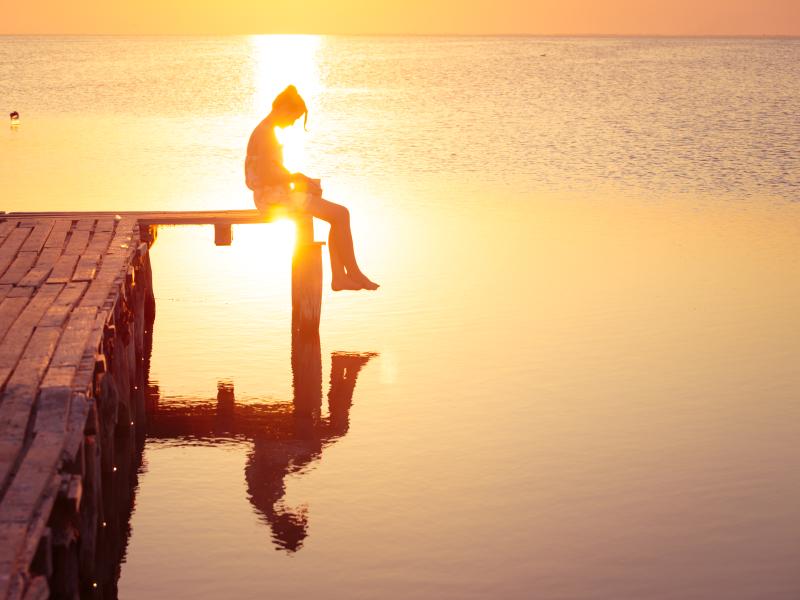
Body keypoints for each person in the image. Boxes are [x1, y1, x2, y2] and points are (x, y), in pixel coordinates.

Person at [245, 85, 378, 291]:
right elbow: (265, 176)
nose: (291, 124)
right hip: (271, 199)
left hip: (274, 195)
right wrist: (298, 178)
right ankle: (350, 273)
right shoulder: (265, 134)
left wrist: (302, 182)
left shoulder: (267, 130)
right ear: (283, 109)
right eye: (293, 118)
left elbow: (272, 173)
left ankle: (342, 276)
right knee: (341, 214)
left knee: (338, 216)